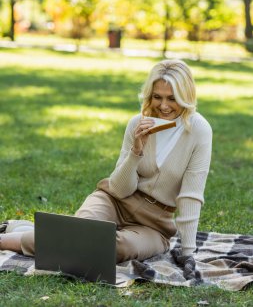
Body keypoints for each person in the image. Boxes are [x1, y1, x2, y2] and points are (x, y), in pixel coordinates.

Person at [0, 59, 212, 265]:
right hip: (114, 201)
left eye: (172, 98)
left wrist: (188, 252)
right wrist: (136, 151)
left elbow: (191, 196)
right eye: (157, 97)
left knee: (114, 248)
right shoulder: (137, 123)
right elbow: (119, 189)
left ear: (186, 97)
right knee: (83, 232)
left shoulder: (199, 131)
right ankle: (10, 241)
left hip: (154, 225)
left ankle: (28, 233)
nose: (164, 106)